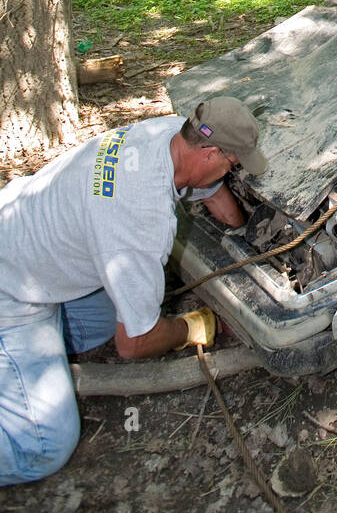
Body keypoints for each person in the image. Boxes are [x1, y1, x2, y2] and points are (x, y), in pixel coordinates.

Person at [0, 94, 264, 486]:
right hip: (14, 292)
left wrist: (247, 237)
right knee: (44, 445)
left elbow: (211, 190)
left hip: (25, 238)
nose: (232, 171)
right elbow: (135, 344)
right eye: (232, 162)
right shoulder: (139, 219)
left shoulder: (169, 132)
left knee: (113, 314)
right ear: (210, 152)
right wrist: (188, 328)